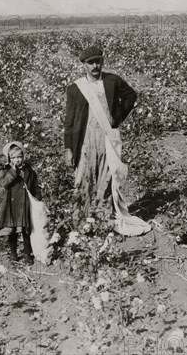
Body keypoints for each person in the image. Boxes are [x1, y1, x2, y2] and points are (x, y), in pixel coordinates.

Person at [64, 46, 149, 236]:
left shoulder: (113, 80)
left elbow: (131, 96)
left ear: (102, 61)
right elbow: (69, 122)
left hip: (106, 139)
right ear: (83, 65)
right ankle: (79, 223)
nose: (95, 65)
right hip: (84, 140)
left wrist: (117, 117)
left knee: (106, 178)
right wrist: (68, 148)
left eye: (98, 61)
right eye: (90, 62)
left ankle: (104, 219)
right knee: (82, 181)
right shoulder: (76, 88)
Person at [0, 142, 42, 264]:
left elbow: (35, 186)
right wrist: (13, 171)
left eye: (19, 157)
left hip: (25, 204)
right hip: (12, 204)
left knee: (26, 229)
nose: (17, 160)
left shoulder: (29, 170)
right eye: (14, 158)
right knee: (12, 230)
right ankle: (13, 253)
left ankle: (27, 254)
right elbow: (4, 184)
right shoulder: (5, 170)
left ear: (23, 157)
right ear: (9, 159)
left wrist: (38, 199)